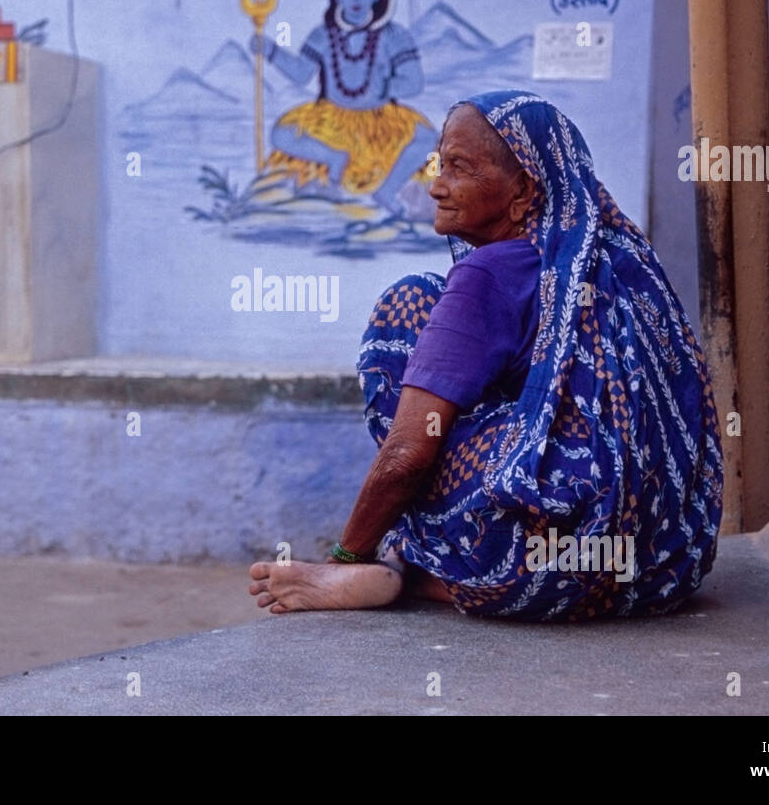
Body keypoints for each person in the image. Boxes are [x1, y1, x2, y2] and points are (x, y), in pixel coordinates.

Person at [249, 90, 724, 621]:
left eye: (459, 168)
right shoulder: (615, 264)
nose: (436, 186)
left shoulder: (488, 275)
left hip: (536, 565)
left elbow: (408, 455)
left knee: (406, 306)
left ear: (523, 191)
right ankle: (414, 572)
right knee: (436, 309)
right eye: (438, 164)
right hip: (658, 564)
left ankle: (404, 568)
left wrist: (346, 556)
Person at [248, 0, 437, 217]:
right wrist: (272, 51)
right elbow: (302, 74)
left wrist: (384, 86)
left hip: (381, 122)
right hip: (332, 121)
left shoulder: (393, 36)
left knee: (427, 139)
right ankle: (334, 159)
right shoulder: (323, 35)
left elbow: (414, 82)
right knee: (280, 133)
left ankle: (387, 190)